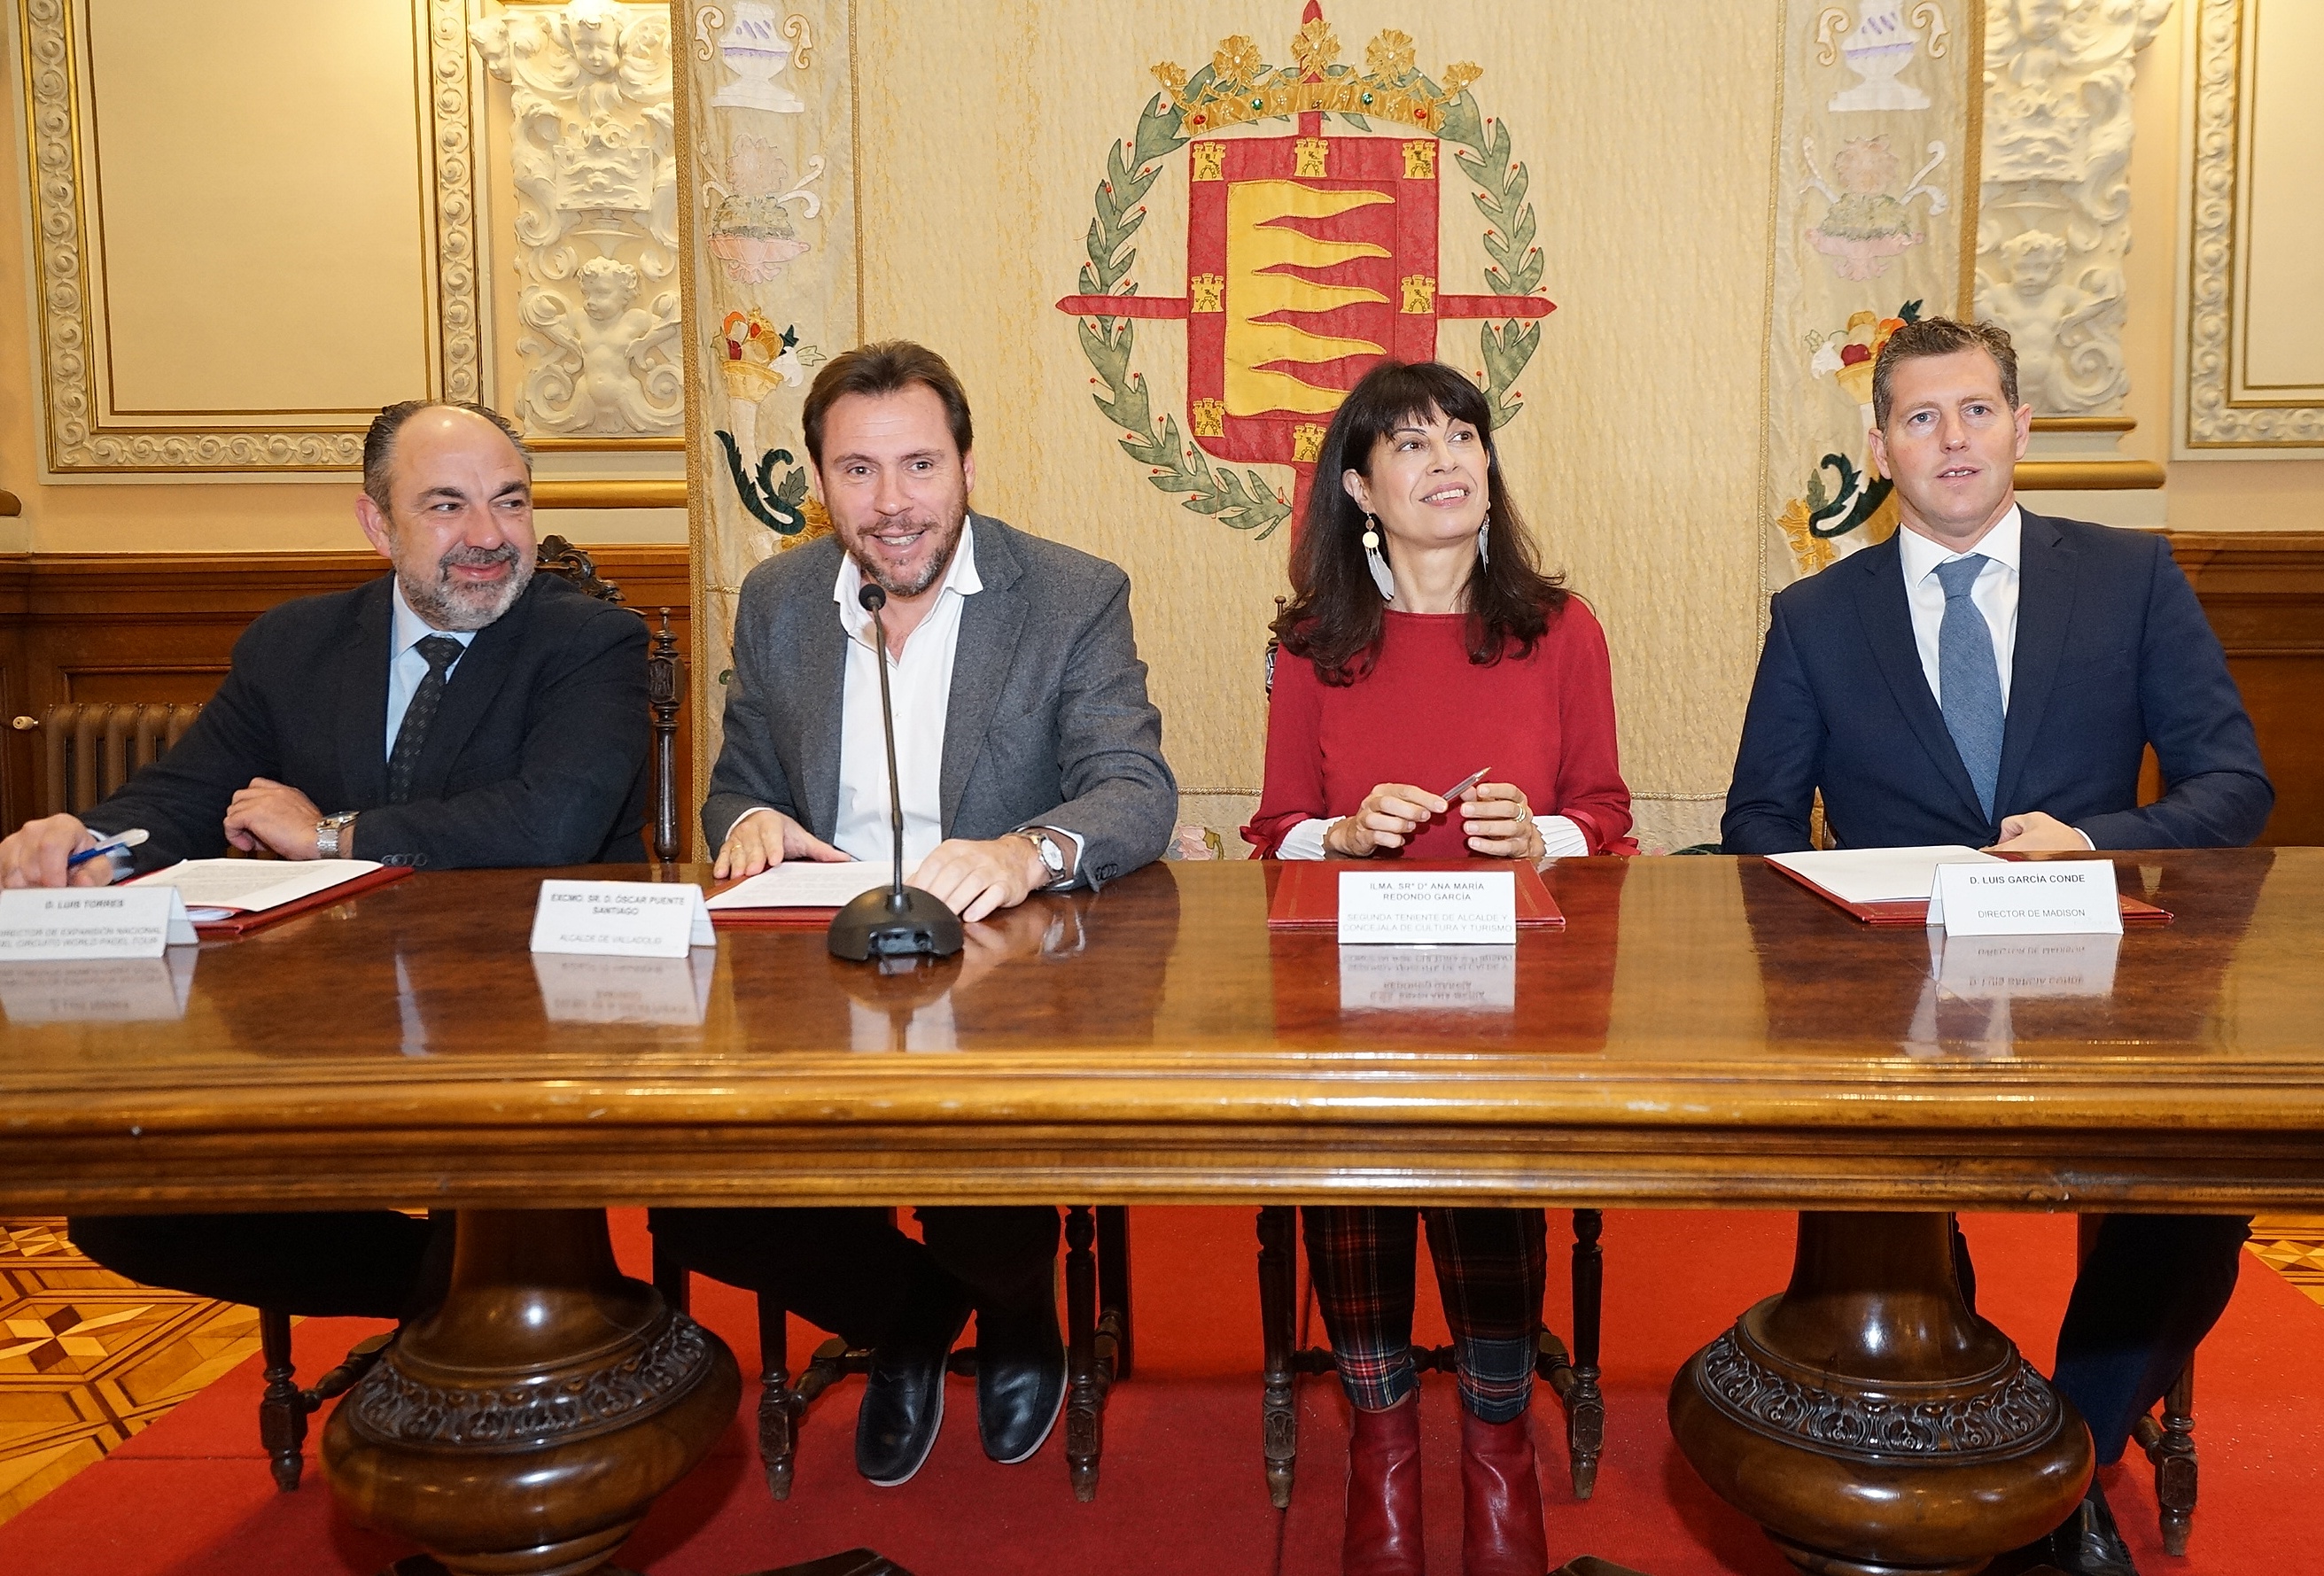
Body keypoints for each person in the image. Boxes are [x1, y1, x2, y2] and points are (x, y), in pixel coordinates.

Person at [1722, 317, 2271, 1576]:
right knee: (1883, 1218)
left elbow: (2233, 785)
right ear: (1880, 449)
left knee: (2198, 1203)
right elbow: (1759, 825)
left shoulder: (2130, 576)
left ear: (2022, 428)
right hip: (1890, 1002)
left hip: (2106, 987)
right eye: (1920, 418)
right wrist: (1843, 931)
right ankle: (1968, 1437)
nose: (1953, 439)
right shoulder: (1816, 616)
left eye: (1976, 410)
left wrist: (2095, 842)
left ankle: (2062, 1454)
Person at [0, 399, 655, 1323]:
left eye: (509, 501)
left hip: (530, 1009)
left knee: (492, 1188)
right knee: (126, 1210)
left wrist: (330, 835)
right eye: (446, 505)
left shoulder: (587, 641)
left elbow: (552, 822)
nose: (488, 534)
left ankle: (497, 1320)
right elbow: (183, 796)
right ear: (376, 524)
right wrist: (90, 842)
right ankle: (466, 1312)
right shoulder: (294, 645)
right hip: (328, 1013)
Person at [649, 340, 1177, 1487]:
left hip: (993, 971)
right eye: (859, 470)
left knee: (973, 1164)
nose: (892, 503)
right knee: (693, 1200)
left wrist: (1023, 850)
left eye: (919, 465)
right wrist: (753, 820)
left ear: (967, 467)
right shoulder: (781, 601)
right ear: (820, 482)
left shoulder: (1070, 594)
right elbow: (738, 784)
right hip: (816, 969)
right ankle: (918, 1311)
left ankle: (1018, 1309)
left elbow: (1134, 789)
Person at [1243, 359, 1635, 1576]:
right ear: (1360, 488)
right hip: (1352, 994)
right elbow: (1274, 829)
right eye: (1410, 443)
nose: (1448, 459)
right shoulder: (1313, 644)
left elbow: (1608, 819)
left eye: (1463, 434)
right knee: (1355, 1190)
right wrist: (1343, 831)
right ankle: (1383, 1453)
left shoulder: (1559, 628)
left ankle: (1499, 1452)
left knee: (1488, 1199)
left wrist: (1543, 833)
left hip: (1511, 996)